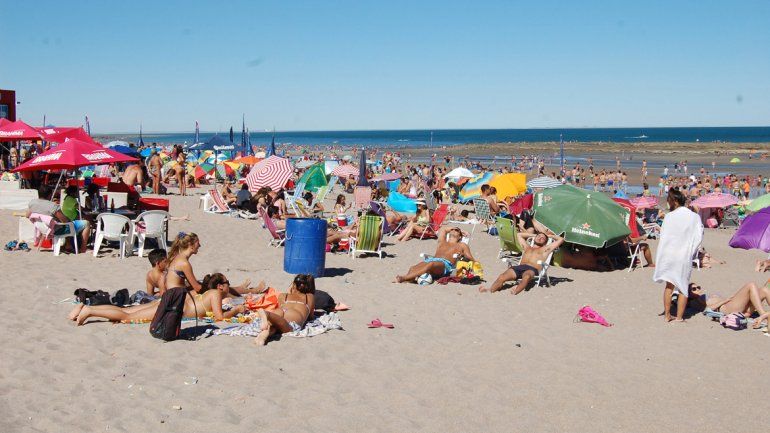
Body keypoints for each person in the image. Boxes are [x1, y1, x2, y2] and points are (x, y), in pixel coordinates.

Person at [69, 272, 249, 325]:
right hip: (173, 308)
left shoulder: (207, 293)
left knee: (127, 311)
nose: (228, 286)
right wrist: (236, 310)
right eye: (227, 283)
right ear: (220, 286)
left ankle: (86, 308)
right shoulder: (216, 294)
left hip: (170, 303)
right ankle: (90, 310)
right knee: (127, 316)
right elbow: (219, 317)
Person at [653, 189, 703, 322]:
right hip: (683, 255)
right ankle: (679, 317)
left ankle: (667, 315)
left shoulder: (669, 216)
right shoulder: (694, 216)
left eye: (669, 200)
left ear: (674, 201)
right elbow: (698, 237)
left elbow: (664, 237)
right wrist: (692, 251)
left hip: (669, 254)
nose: (668, 203)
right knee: (682, 286)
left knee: (669, 285)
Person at [479, 231, 564, 294]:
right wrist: (535, 235)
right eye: (538, 236)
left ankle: (515, 291)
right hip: (519, 267)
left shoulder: (545, 249)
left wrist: (549, 236)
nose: (540, 238)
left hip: (532, 269)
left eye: (542, 238)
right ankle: (490, 290)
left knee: (526, 277)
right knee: (502, 277)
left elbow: (561, 239)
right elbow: (519, 235)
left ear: (545, 242)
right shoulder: (527, 247)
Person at [395, 226, 475, 283]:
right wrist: (457, 229)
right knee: (412, 268)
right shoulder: (442, 241)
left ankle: (403, 278)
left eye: (456, 230)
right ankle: (410, 279)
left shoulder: (462, 245)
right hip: (433, 259)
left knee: (431, 264)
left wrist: (462, 258)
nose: (453, 230)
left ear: (460, 236)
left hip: (446, 264)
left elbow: (470, 258)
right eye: (452, 229)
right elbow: (443, 229)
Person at [255, 274, 317, 346]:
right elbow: (311, 317)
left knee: (276, 325)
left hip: (279, 311)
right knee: (288, 328)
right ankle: (267, 314)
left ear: (293, 285)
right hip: (293, 315)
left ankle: (265, 333)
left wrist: (291, 292)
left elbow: (281, 306)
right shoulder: (309, 297)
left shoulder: (283, 295)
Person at [27, 186, 91, 254]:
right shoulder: (52, 206)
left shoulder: (32, 203)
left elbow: (27, 215)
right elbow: (64, 220)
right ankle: (83, 248)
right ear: (50, 195)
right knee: (86, 223)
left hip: (43, 229)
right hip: (56, 230)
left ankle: (68, 245)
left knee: (65, 224)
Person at [688, 282, 770, 329]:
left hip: (735, 306)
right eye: (694, 289)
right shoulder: (694, 301)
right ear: (689, 293)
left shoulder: (703, 296)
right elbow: (707, 310)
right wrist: (724, 301)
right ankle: (763, 314)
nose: (697, 289)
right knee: (751, 285)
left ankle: (763, 315)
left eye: (698, 287)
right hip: (728, 308)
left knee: (764, 289)